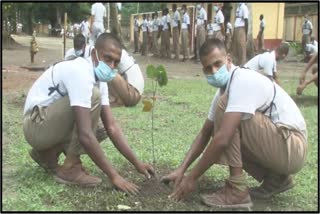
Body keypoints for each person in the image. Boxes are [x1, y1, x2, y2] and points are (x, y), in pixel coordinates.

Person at [161, 38, 307, 208]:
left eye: (218, 64)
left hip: (293, 146)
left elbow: (222, 139)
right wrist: (182, 169)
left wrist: (192, 178)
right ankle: (277, 180)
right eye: (208, 68)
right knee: (223, 118)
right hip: (283, 147)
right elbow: (205, 133)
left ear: (228, 60)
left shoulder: (241, 80)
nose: (214, 71)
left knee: (226, 120)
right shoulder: (223, 91)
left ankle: (236, 190)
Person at [23, 33, 154, 193]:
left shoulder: (100, 79)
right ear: (94, 54)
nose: (112, 66)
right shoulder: (80, 71)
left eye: (116, 63)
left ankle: (47, 153)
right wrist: (114, 176)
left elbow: (111, 127)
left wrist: (137, 164)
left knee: (103, 128)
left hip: (46, 125)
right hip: (35, 125)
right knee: (93, 98)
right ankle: (72, 167)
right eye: (108, 59)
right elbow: (85, 135)